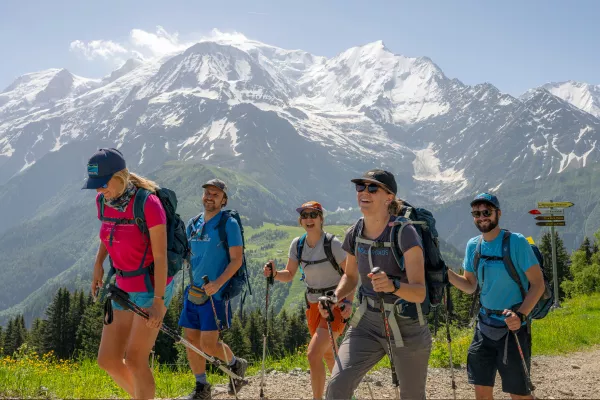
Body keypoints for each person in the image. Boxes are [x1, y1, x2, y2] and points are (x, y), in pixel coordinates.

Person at [323, 169, 432, 400]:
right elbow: (350, 277)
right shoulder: (355, 232)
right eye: (360, 187)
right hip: (367, 322)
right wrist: (334, 296)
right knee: (337, 387)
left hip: (407, 326)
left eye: (373, 188)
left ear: (389, 197)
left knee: (412, 396)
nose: (364, 192)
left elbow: (420, 293)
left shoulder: (405, 233)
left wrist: (393, 285)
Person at [85, 147, 175, 400]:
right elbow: (109, 233)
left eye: (102, 184)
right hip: (122, 284)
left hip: (151, 286)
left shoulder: (148, 203)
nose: (99, 190)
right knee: (108, 360)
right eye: (95, 185)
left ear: (120, 176)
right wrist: (98, 264)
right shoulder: (104, 201)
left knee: (135, 360)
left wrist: (158, 303)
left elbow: (160, 257)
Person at [448, 193, 545, 400]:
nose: (482, 217)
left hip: (514, 328)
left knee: (519, 394)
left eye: (487, 212)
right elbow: (470, 285)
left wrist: (520, 315)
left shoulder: (516, 242)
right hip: (484, 327)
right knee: (481, 392)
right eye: (476, 213)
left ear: (498, 213)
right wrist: (444, 273)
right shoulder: (473, 245)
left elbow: (538, 285)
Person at [263, 201, 352, 400]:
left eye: (313, 215)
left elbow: (351, 276)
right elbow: (289, 274)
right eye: (305, 215)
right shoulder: (298, 244)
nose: (309, 219)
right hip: (313, 306)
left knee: (313, 355)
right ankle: (346, 395)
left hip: (334, 304)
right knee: (329, 354)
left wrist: (348, 302)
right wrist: (275, 273)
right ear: (300, 220)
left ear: (321, 219)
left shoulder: (333, 244)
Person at [179, 179, 248, 400]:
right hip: (193, 292)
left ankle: (236, 364)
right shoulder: (193, 223)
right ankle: (201, 387)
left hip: (215, 294)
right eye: (207, 193)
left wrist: (218, 283)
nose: (210, 197)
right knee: (190, 340)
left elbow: (237, 260)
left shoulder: (228, 224)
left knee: (208, 344)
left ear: (223, 200)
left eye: (215, 194)